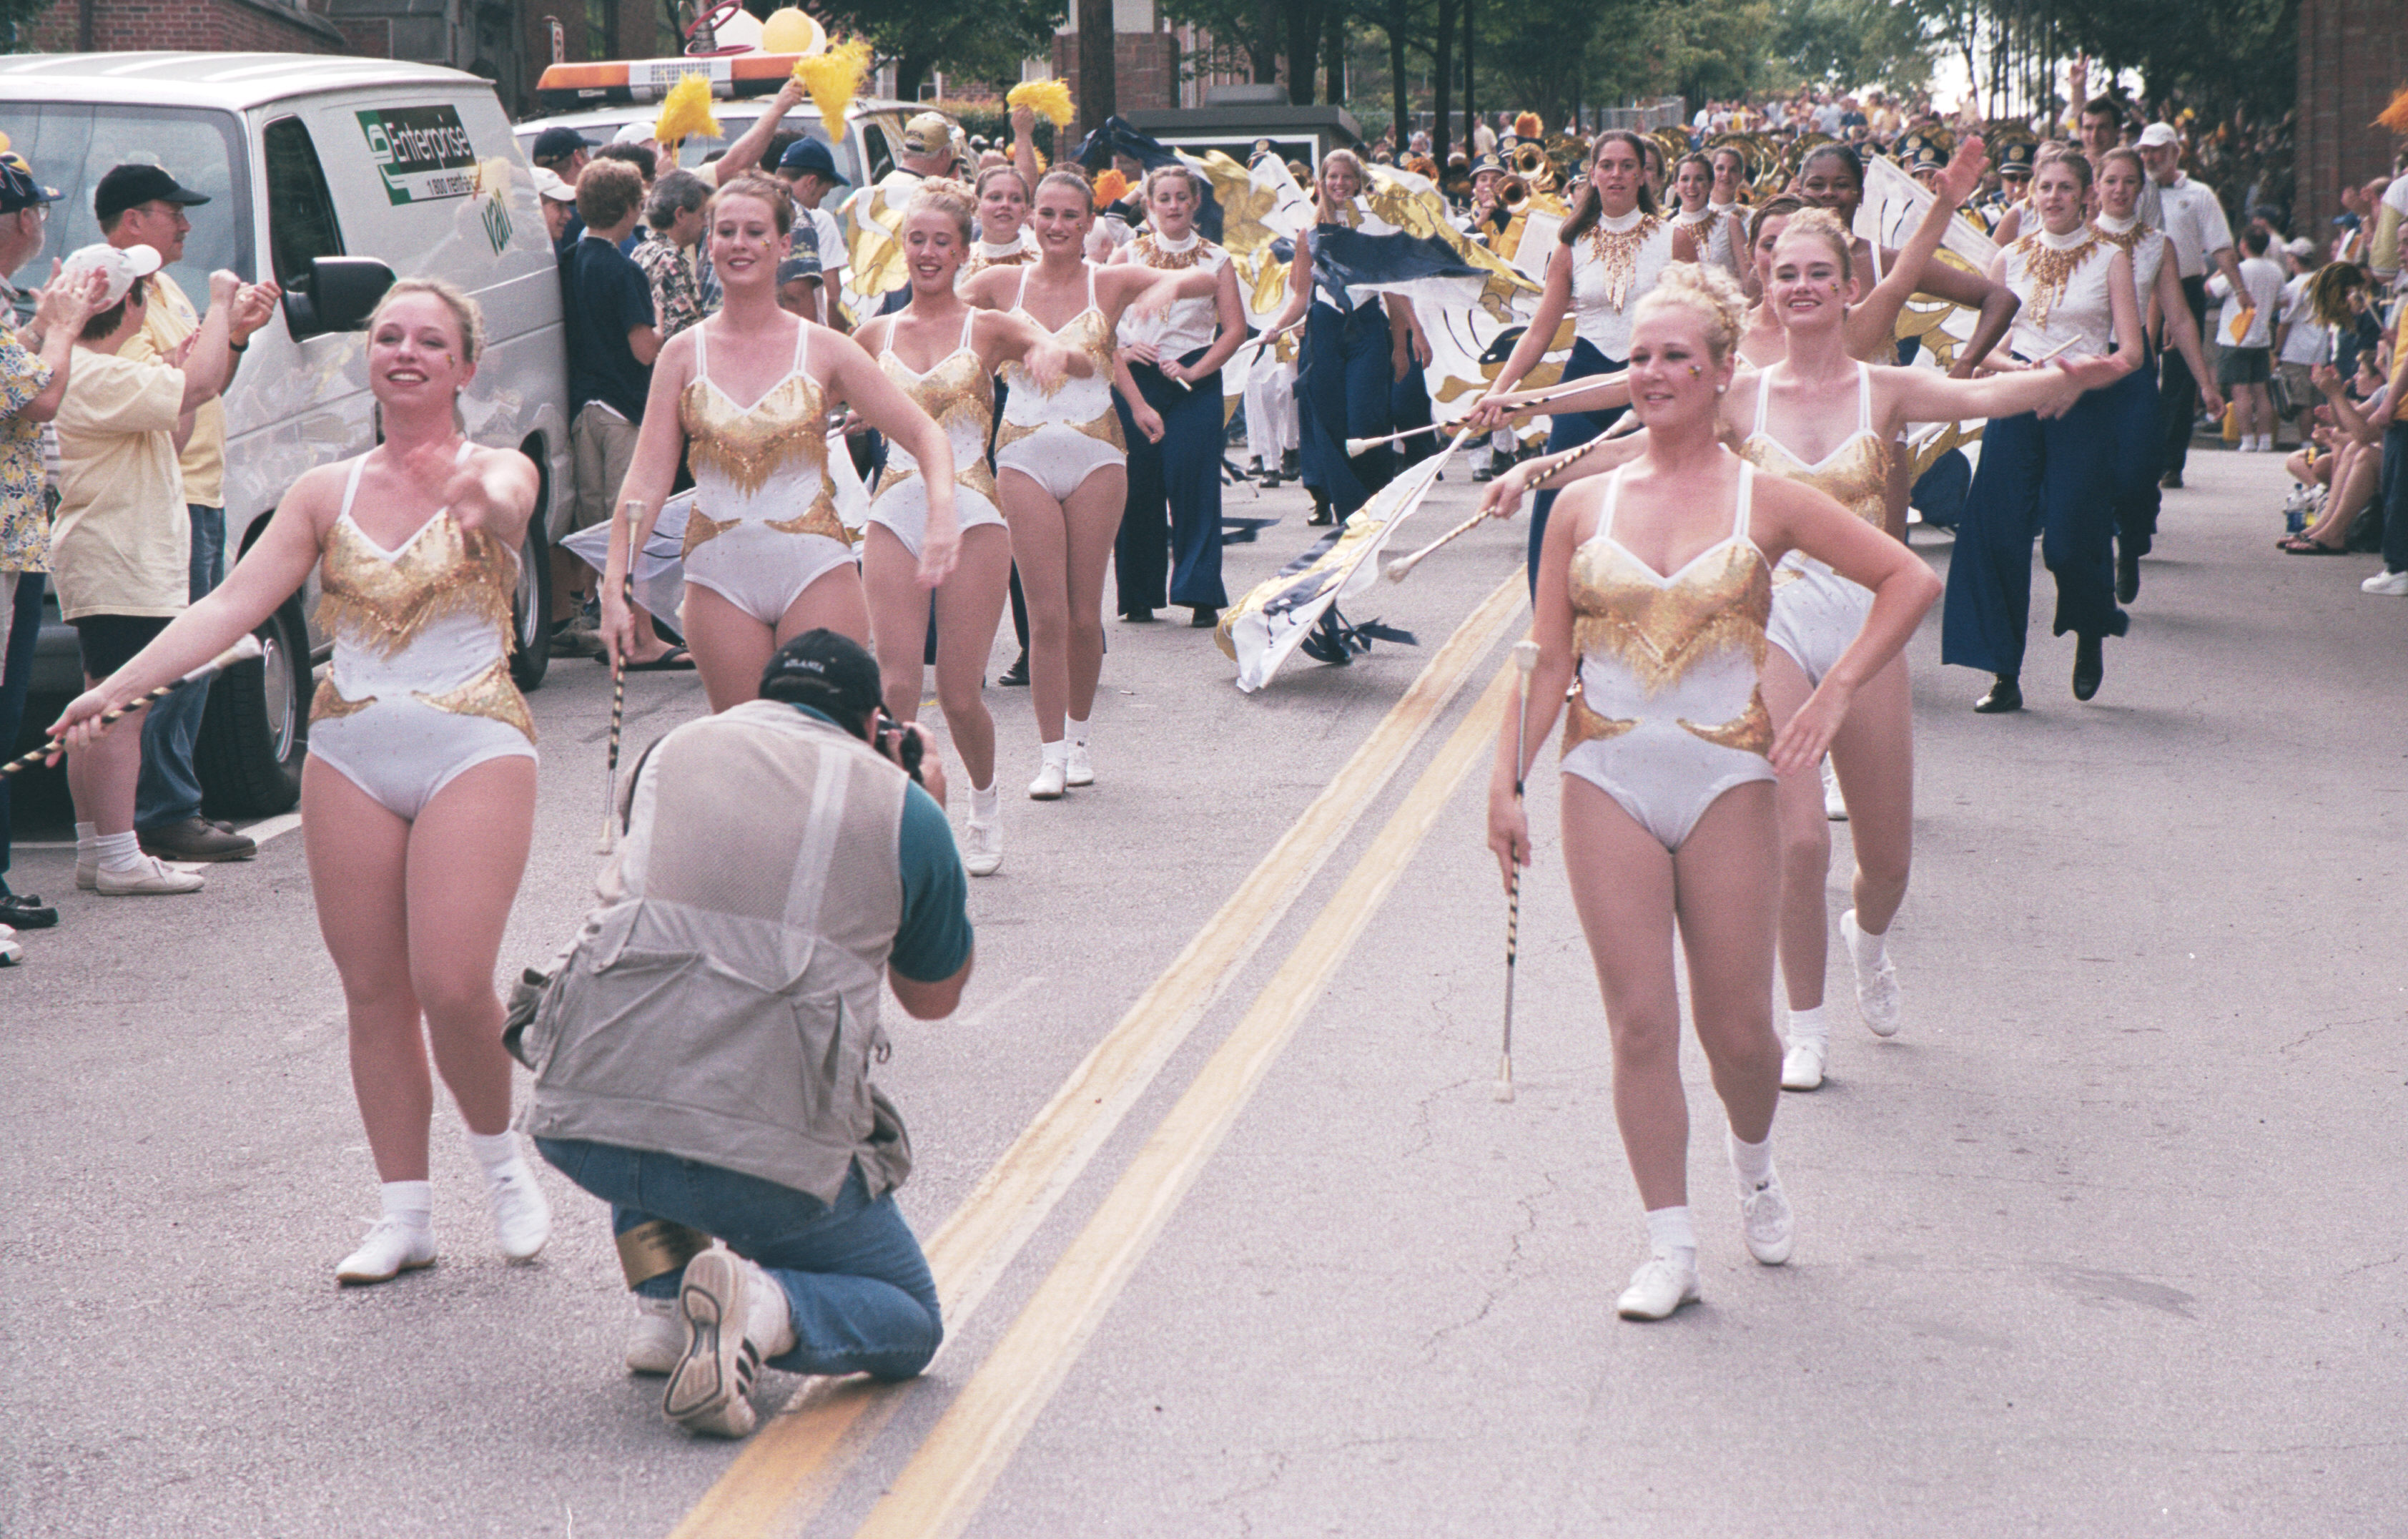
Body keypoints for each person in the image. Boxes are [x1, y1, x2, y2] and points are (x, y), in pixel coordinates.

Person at [49, 279, 554, 1282]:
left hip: (474, 742)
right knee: (374, 992)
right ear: (369, 358)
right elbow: (231, 605)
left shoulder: (495, 466)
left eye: (428, 341)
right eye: (388, 338)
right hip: (352, 753)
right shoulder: (326, 492)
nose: (404, 353)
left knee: (452, 983)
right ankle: (403, 1214)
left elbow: (509, 505)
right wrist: (112, 689)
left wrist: (477, 498)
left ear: (465, 365)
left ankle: (503, 1171)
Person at [1484, 264, 1940, 1320]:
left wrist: (1831, 697)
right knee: (1641, 1024)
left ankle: (1754, 1160)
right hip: (1606, 776)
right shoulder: (1580, 505)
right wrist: (1503, 785)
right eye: (1640, 356)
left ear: (1723, 371)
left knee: (1739, 1038)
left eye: (1675, 355)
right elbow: (1549, 662)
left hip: (1728, 779)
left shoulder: (1765, 498)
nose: (1651, 373)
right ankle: (1669, 1244)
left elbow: (1908, 581)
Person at [523, 629, 969, 1438]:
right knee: (910, 1316)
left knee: (663, 1010)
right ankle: (761, 1307)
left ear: (765, 697)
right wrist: (926, 802)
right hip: (763, 1168)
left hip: (586, 1122)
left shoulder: (667, 754)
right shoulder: (903, 806)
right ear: (876, 726)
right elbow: (931, 997)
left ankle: (663, 1306)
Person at [603, 174, 957, 712]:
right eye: (726, 231)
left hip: (813, 569)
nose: (739, 244)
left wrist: (942, 514)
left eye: (755, 231)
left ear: (784, 245)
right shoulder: (680, 354)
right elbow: (647, 478)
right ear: (710, 243)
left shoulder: (825, 349)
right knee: (751, 751)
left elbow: (924, 433)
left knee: (820, 742)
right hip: (717, 579)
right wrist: (614, 581)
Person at [855, 182, 1083, 878]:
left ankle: (983, 806)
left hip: (975, 513)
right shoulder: (873, 334)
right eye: (916, 241)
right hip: (893, 511)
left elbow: (1063, 351)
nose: (927, 254)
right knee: (893, 688)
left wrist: (1048, 357)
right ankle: (894, 825)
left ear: (961, 253)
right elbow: (817, 395)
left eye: (940, 243)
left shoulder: (984, 328)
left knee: (957, 693)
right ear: (904, 250)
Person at [962, 168, 1208, 799]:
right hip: (1022, 454)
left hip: (1098, 452)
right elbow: (933, 323)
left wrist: (1168, 287)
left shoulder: (1111, 279)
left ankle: (1077, 739)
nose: (1057, 226)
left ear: (1089, 220)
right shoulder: (997, 282)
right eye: (1046, 213)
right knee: (1043, 617)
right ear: (1028, 217)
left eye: (1071, 215)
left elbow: (1208, 276)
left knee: (1081, 614)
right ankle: (1047, 757)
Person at [49, 244, 263, 898]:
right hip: (122, 557)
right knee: (120, 713)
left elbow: (175, 428)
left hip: (118, 556)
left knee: (98, 706)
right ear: (126, 304)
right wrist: (223, 307)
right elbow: (199, 385)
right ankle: (118, 853)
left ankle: (98, 849)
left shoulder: (103, 372)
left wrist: (185, 368)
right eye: (145, 289)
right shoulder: (96, 374)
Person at [99, 162, 276, 867]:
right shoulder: (118, 293)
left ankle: (175, 801)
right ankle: (164, 809)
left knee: (195, 656)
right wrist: (218, 321)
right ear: (132, 220)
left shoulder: (163, 286)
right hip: (165, 492)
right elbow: (175, 389)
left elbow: (204, 376)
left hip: (200, 489)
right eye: (173, 211)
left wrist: (231, 336)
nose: (188, 224)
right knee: (173, 659)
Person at [1943, 149, 2146, 711]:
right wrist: (2021, 371)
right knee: (1996, 530)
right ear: (2030, 194)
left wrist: (2080, 378)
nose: (2053, 197)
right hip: (2017, 403)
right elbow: (1989, 352)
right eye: (2045, 187)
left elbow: (2130, 353)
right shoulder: (2008, 258)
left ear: (2085, 195)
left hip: (2082, 408)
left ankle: (2088, 627)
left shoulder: (2111, 259)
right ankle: (2003, 673)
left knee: (2068, 541)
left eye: (2064, 188)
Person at [1465, 132, 1702, 589]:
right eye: (1607, 165)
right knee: (1556, 497)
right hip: (1585, 377)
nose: (1616, 174)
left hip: (1652, 383)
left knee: (1647, 506)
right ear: (1592, 174)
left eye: (1627, 166)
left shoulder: (1676, 239)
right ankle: (1550, 622)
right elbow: (1540, 330)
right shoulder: (1571, 244)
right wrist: (1500, 392)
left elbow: (1694, 322)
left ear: (1643, 175)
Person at [0, 154, 107, 948]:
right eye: (33, 209)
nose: (40, 222)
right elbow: (37, 397)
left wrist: (44, 324)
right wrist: (65, 328)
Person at [1258, 150, 1435, 530]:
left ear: (1358, 181)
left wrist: (1410, 339)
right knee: (1328, 421)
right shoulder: (1309, 234)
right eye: (1332, 177)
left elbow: (1394, 290)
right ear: (1322, 183)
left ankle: (1372, 499)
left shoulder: (1376, 227)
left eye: (1346, 177)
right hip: (1323, 328)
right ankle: (1339, 504)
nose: (1340, 184)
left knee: (1367, 418)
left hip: (1368, 329)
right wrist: (1277, 327)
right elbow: (1300, 297)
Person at [1110, 164, 1246, 629]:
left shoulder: (1216, 258)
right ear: (1148, 204)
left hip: (1194, 382)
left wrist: (1195, 368)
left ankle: (1200, 591)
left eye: (1180, 198)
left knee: (1194, 481)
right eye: (1163, 198)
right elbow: (1097, 319)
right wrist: (1125, 352)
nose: (1172, 206)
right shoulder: (1128, 254)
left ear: (1194, 203)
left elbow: (1235, 329)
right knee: (1139, 483)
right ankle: (1139, 594)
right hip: (1138, 380)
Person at [563, 159, 683, 669]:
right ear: (633, 208)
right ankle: (642, 637)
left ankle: (599, 616)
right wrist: (659, 325)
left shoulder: (569, 258)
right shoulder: (624, 268)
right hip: (621, 408)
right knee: (633, 525)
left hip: (583, 408)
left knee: (597, 521)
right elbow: (643, 350)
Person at [2093, 147, 2221, 596]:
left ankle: (2130, 544)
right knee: (2091, 467)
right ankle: (2091, 562)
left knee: (2140, 464)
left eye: (2130, 182)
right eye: (2111, 181)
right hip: (2090, 363)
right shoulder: (2081, 239)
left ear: (2142, 189)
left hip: (2136, 366)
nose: (2120, 190)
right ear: (2097, 186)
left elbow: (2181, 318)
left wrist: (2206, 383)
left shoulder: (2156, 244)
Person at [2136, 122, 2246, 489]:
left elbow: (2221, 247)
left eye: (2157, 150)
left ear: (2174, 151)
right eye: (2145, 151)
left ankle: (2170, 462)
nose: (2150, 157)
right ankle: (2138, 454)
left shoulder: (2199, 194)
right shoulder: (2135, 191)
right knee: (2137, 368)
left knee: (2181, 379)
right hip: (2140, 287)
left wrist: (2241, 290)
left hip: (2184, 286)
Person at [2209, 227, 2287, 453]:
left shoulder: (2239, 270)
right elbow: (2284, 301)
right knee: (2261, 391)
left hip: (2234, 337)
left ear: (2243, 245)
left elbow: (2209, 289)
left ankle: (2247, 440)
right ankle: (2264, 440)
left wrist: (2222, 268)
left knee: (2240, 391)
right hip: (2261, 337)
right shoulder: (2275, 270)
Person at [634, 170, 714, 342]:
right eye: (702, 216)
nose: (706, 223)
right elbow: (684, 334)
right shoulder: (669, 261)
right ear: (680, 215)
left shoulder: (641, 251)